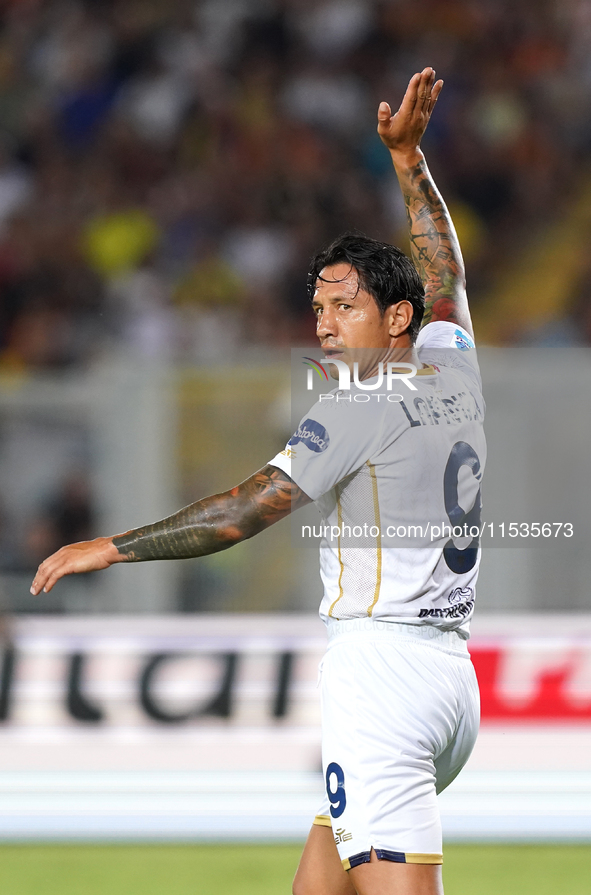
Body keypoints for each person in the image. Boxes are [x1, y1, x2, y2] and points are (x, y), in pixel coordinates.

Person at [31, 68, 485, 895]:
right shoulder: (453, 367)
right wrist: (409, 161)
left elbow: (245, 511)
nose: (321, 320)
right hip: (451, 680)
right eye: (317, 305)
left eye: (343, 305)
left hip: (381, 677)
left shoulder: (353, 408)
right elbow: (444, 272)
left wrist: (111, 545)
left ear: (394, 320)